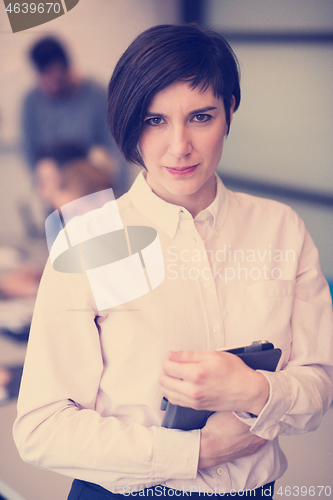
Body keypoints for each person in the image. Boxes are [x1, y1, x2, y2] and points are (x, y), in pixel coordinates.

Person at [13, 24, 333, 500]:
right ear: (127, 123)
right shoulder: (88, 239)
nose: (179, 146)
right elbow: (41, 429)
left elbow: (317, 389)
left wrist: (252, 391)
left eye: (201, 117)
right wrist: (194, 452)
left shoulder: (281, 229)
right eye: (154, 120)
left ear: (229, 110)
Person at [21, 37, 126, 194]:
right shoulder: (31, 101)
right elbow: (30, 152)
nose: (53, 87)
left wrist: (117, 193)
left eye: (57, 79)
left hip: (92, 191)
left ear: (68, 69)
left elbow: (115, 149)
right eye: (46, 78)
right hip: (56, 191)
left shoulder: (96, 95)